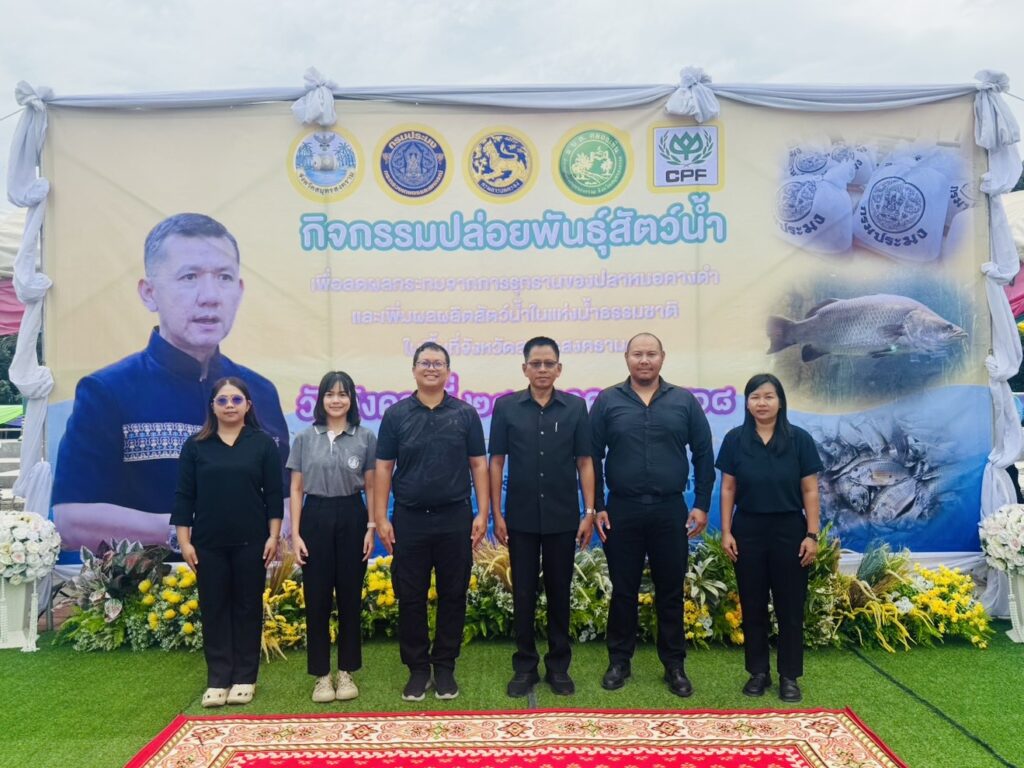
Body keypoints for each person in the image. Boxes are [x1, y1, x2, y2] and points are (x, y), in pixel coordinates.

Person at [52, 213, 289, 553]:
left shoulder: (260, 392)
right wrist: (186, 530)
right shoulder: (108, 391)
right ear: (149, 293)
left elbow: (285, 499)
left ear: (239, 291)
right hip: (152, 583)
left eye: (224, 277)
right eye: (189, 277)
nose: (210, 296)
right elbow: (72, 521)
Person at [590, 332, 715, 697]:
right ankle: (619, 661)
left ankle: (674, 665)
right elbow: (590, 456)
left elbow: (704, 454)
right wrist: (597, 505)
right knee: (623, 590)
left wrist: (702, 504)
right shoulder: (608, 401)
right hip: (621, 510)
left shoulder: (684, 401)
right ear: (626, 358)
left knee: (670, 591)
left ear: (663, 357)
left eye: (651, 354)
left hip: (669, 510)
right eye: (637, 354)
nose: (644, 360)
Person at [373, 342, 489, 702]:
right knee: (410, 596)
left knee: (454, 593)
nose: (432, 368)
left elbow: (478, 464)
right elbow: (383, 468)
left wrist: (482, 512)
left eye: (439, 363)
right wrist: (380, 516)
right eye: (425, 362)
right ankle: (418, 669)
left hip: (455, 517)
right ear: (414, 370)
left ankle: (445, 666)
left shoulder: (466, 414)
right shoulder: (395, 415)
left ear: (448, 372)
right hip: (409, 519)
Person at [489, 337, 595, 698]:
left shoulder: (576, 408)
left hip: (562, 518)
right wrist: (497, 513)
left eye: (549, 363)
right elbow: (496, 462)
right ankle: (525, 666)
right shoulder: (506, 408)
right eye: (536, 364)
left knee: (559, 593)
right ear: (525, 369)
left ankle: (558, 666)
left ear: (559, 369)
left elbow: (585, 462)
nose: (543, 369)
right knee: (523, 594)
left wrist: (589, 512)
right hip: (519, 519)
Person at [171, 377, 283, 708]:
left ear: (248, 405)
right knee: (214, 608)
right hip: (208, 544)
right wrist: (185, 542)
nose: (230, 405)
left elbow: (273, 496)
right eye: (222, 400)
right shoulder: (196, 446)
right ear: (213, 407)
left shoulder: (263, 443)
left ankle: (245, 678)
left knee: (248, 608)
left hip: (253, 542)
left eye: (236, 399)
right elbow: (184, 496)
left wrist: (273, 536)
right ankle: (218, 679)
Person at [716, 373, 823, 703]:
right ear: (747, 403)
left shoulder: (799, 439)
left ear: (780, 401)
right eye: (755, 397)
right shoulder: (735, 439)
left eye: (768, 396)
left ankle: (789, 676)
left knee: (790, 606)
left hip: (790, 530)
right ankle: (758, 672)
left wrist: (812, 534)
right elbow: (728, 488)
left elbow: (810, 490)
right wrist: (726, 531)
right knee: (753, 605)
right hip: (747, 529)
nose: (761, 403)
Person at [289, 371, 377, 703]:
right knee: (317, 598)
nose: (336, 400)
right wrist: (296, 534)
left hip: (353, 515)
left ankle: (346, 671)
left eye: (343, 394)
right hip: (315, 516)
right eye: (330, 394)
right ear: (321, 399)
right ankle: (322, 676)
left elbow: (372, 486)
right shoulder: (304, 438)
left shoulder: (365, 437)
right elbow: (296, 489)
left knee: (350, 597)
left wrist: (370, 527)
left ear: (351, 399)